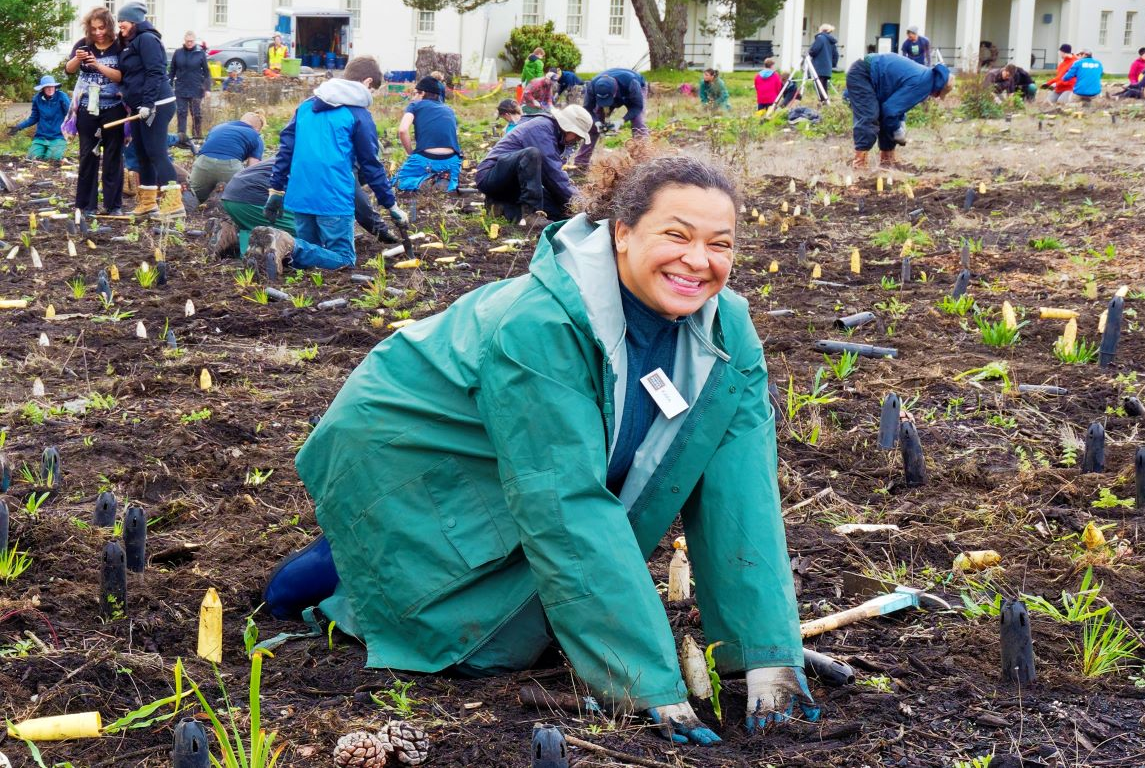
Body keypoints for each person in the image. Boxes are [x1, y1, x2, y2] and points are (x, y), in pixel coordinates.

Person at [263, 150, 821, 746]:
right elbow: (566, 501)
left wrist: (769, 657)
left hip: (524, 452)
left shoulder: (727, 329)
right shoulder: (542, 324)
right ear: (623, 233)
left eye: (721, 244)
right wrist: (647, 685)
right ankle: (320, 577)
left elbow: (744, 493)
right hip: (411, 443)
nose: (698, 261)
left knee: (530, 585)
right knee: (464, 626)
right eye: (676, 236)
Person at [249, 56, 403, 277]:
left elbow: (285, 151)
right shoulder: (358, 114)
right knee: (344, 259)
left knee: (310, 262)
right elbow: (371, 165)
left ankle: (284, 251)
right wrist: (392, 206)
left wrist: (276, 190)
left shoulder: (305, 107)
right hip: (333, 197)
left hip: (300, 194)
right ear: (367, 82)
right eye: (373, 90)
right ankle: (290, 246)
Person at [207, 156, 397, 259]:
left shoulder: (314, 155)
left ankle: (233, 234)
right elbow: (360, 204)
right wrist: (381, 232)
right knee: (304, 241)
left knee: (266, 231)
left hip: (234, 197)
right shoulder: (341, 166)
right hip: (255, 198)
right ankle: (246, 241)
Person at [474, 105, 591, 230]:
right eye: (577, 135)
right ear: (567, 127)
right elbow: (553, 175)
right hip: (490, 176)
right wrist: (579, 202)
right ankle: (532, 215)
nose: (578, 139)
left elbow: (553, 178)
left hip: (513, 185)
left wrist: (575, 205)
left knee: (561, 212)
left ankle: (499, 206)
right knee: (531, 154)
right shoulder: (542, 128)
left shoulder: (554, 133)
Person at [117, 2, 182, 218]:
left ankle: (174, 204)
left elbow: (155, 72)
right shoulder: (132, 41)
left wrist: (148, 103)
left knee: (156, 152)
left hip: (157, 104)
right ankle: (147, 203)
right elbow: (133, 74)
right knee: (142, 154)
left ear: (134, 21)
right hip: (140, 106)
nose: (120, 26)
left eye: (123, 21)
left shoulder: (147, 39)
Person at [845, 52, 953, 169]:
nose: (936, 97)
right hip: (863, 74)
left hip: (875, 77)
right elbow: (891, 110)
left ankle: (887, 161)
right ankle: (859, 164)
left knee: (889, 120)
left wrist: (900, 121)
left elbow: (897, 104)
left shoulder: (926, 76)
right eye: (939, 94)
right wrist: (897, 130)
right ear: (938, 89)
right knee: (870, 117)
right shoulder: (924, 84)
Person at [65, 7, 125, 215]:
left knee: (113, 157)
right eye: (94, 29)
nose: (98, 32)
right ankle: (86, 205)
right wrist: (78, 59)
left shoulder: (119, 46)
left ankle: (113, 205)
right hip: (87, 109)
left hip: (113, 108)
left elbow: (121, 77)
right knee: (88, 156)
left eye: (101, 28)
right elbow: (69, 69)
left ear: (109, 26)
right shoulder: (83, 44)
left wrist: (98, 65)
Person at [394, 75, 462, 193]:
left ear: (423, 93)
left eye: (415, 93)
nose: (413, 97)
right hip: (452, 160)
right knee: (451, 184)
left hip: (425, 158)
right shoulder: (449, 110)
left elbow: (403, 130)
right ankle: (443, 179)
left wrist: (411, 153)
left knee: (399, 182)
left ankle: (425, 182)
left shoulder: (414, 106)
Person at [576, 68, 649, 168]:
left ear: (614, 92)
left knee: (638, 122)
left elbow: (637, 107)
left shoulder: (632, 83)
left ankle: (644, 161)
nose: (606, 104)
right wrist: (597, 123)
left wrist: (621, 121)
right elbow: (587, 109)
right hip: (610, 93)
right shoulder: (592, 86)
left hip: (630, 93)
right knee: (593, 125)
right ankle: (581, 163)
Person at [189, 113, 264, 203]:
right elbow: (252, 167)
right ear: (257, 128)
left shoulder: (218, 127)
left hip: (203, 162)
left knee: (194, 197)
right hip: (230, 166)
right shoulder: (255, 136)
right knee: (236, 200)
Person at [8, 76, 71, 161]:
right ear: (43, 88)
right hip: (41, 137)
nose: (50, 89)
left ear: (55, 87)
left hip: (58, 136)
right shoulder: (37, 99)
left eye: (52, 86)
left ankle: (55, 151)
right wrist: (19, 127)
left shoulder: (61, 96)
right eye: (47, 87)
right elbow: (34, 118)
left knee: (52, 159)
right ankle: (42, 149)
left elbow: (71, 114)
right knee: (33, 158)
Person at [169, 31, 209, 141]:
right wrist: (169, 84)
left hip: (196, 87)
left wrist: (207, 88)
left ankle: (197, 136)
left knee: (196, 113)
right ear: (184, 41)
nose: (189, 43)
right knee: (181, 112)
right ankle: (181, 137)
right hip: (181, 87)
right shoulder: (178, 53)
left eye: (191, 41)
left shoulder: (200, 53)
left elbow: (206, 72)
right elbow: (172, 70)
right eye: (187, 41)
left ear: (194, 41)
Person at [808, 25, 839, 102]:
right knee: (824, 87)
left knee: (819, 87)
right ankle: (825, 103)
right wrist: (832, 64)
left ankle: (822, 102)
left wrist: (810, 53)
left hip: (819, 66)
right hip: (827, 68)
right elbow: (836, 55)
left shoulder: (820, 38)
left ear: (821, 30)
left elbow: (814, 51)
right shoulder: (831, 41)